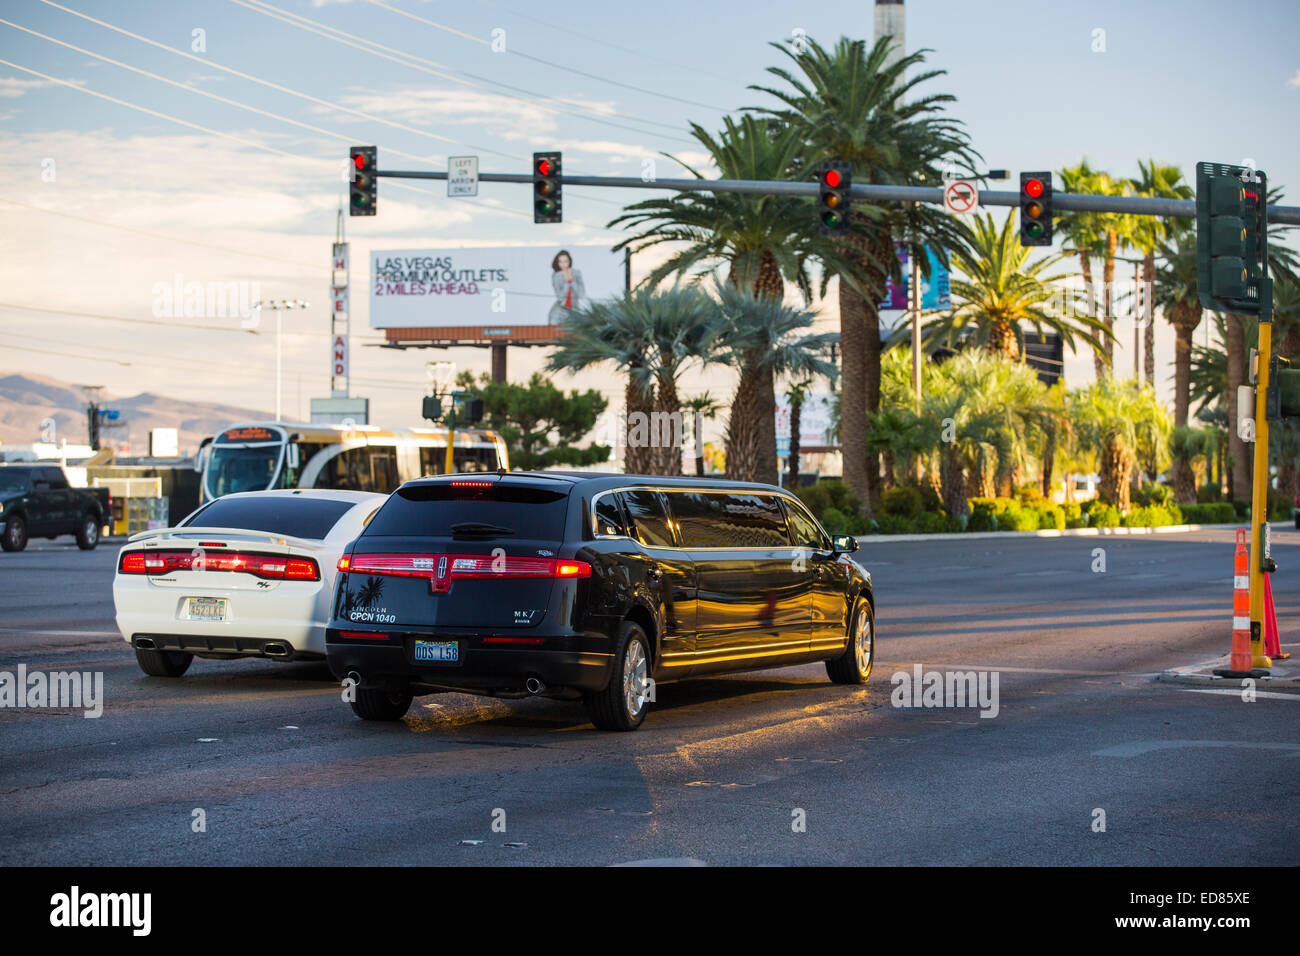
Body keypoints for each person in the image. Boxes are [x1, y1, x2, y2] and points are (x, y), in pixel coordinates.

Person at [548, 250, 585, 323]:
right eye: (560, 262)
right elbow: (560, 296)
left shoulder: (576, 273)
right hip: (561, 309)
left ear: (569, 262)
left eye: (565, 261)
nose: (563, 264)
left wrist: (572, 281)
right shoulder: (556, 276)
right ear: (557, 263)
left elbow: (581, 294)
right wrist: (566, 283)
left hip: (574, 308)